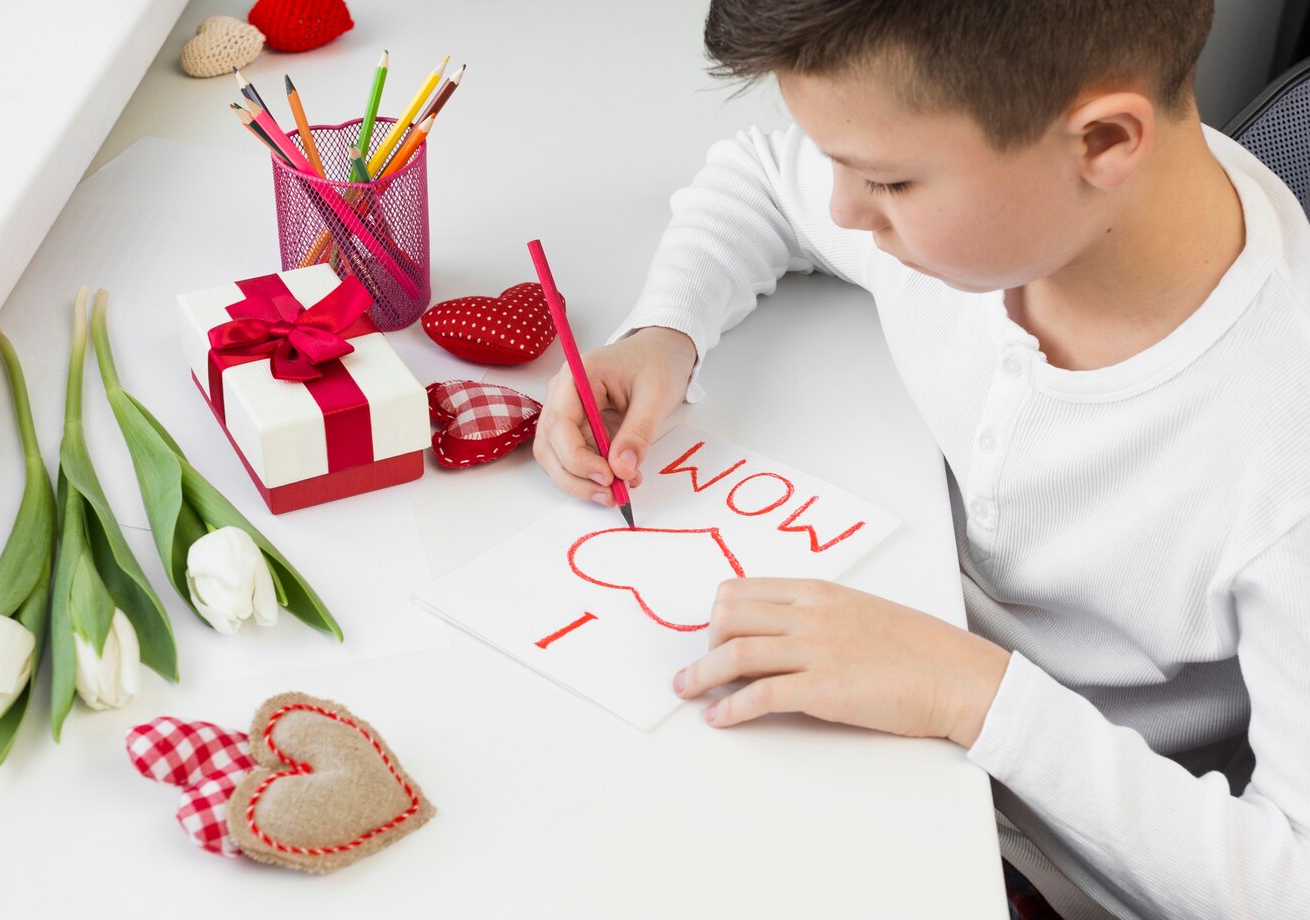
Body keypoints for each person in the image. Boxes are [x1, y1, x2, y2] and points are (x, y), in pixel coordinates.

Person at [532, 1, 1310, 917]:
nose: (844, 210)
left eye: (888, 184)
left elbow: (1284, 882)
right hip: (898, 718)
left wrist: (973, 695)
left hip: (1051, 854)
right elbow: (758, 176)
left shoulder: (1279, 450)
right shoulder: (1003, 217)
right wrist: (667, 331)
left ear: (1103, 141)